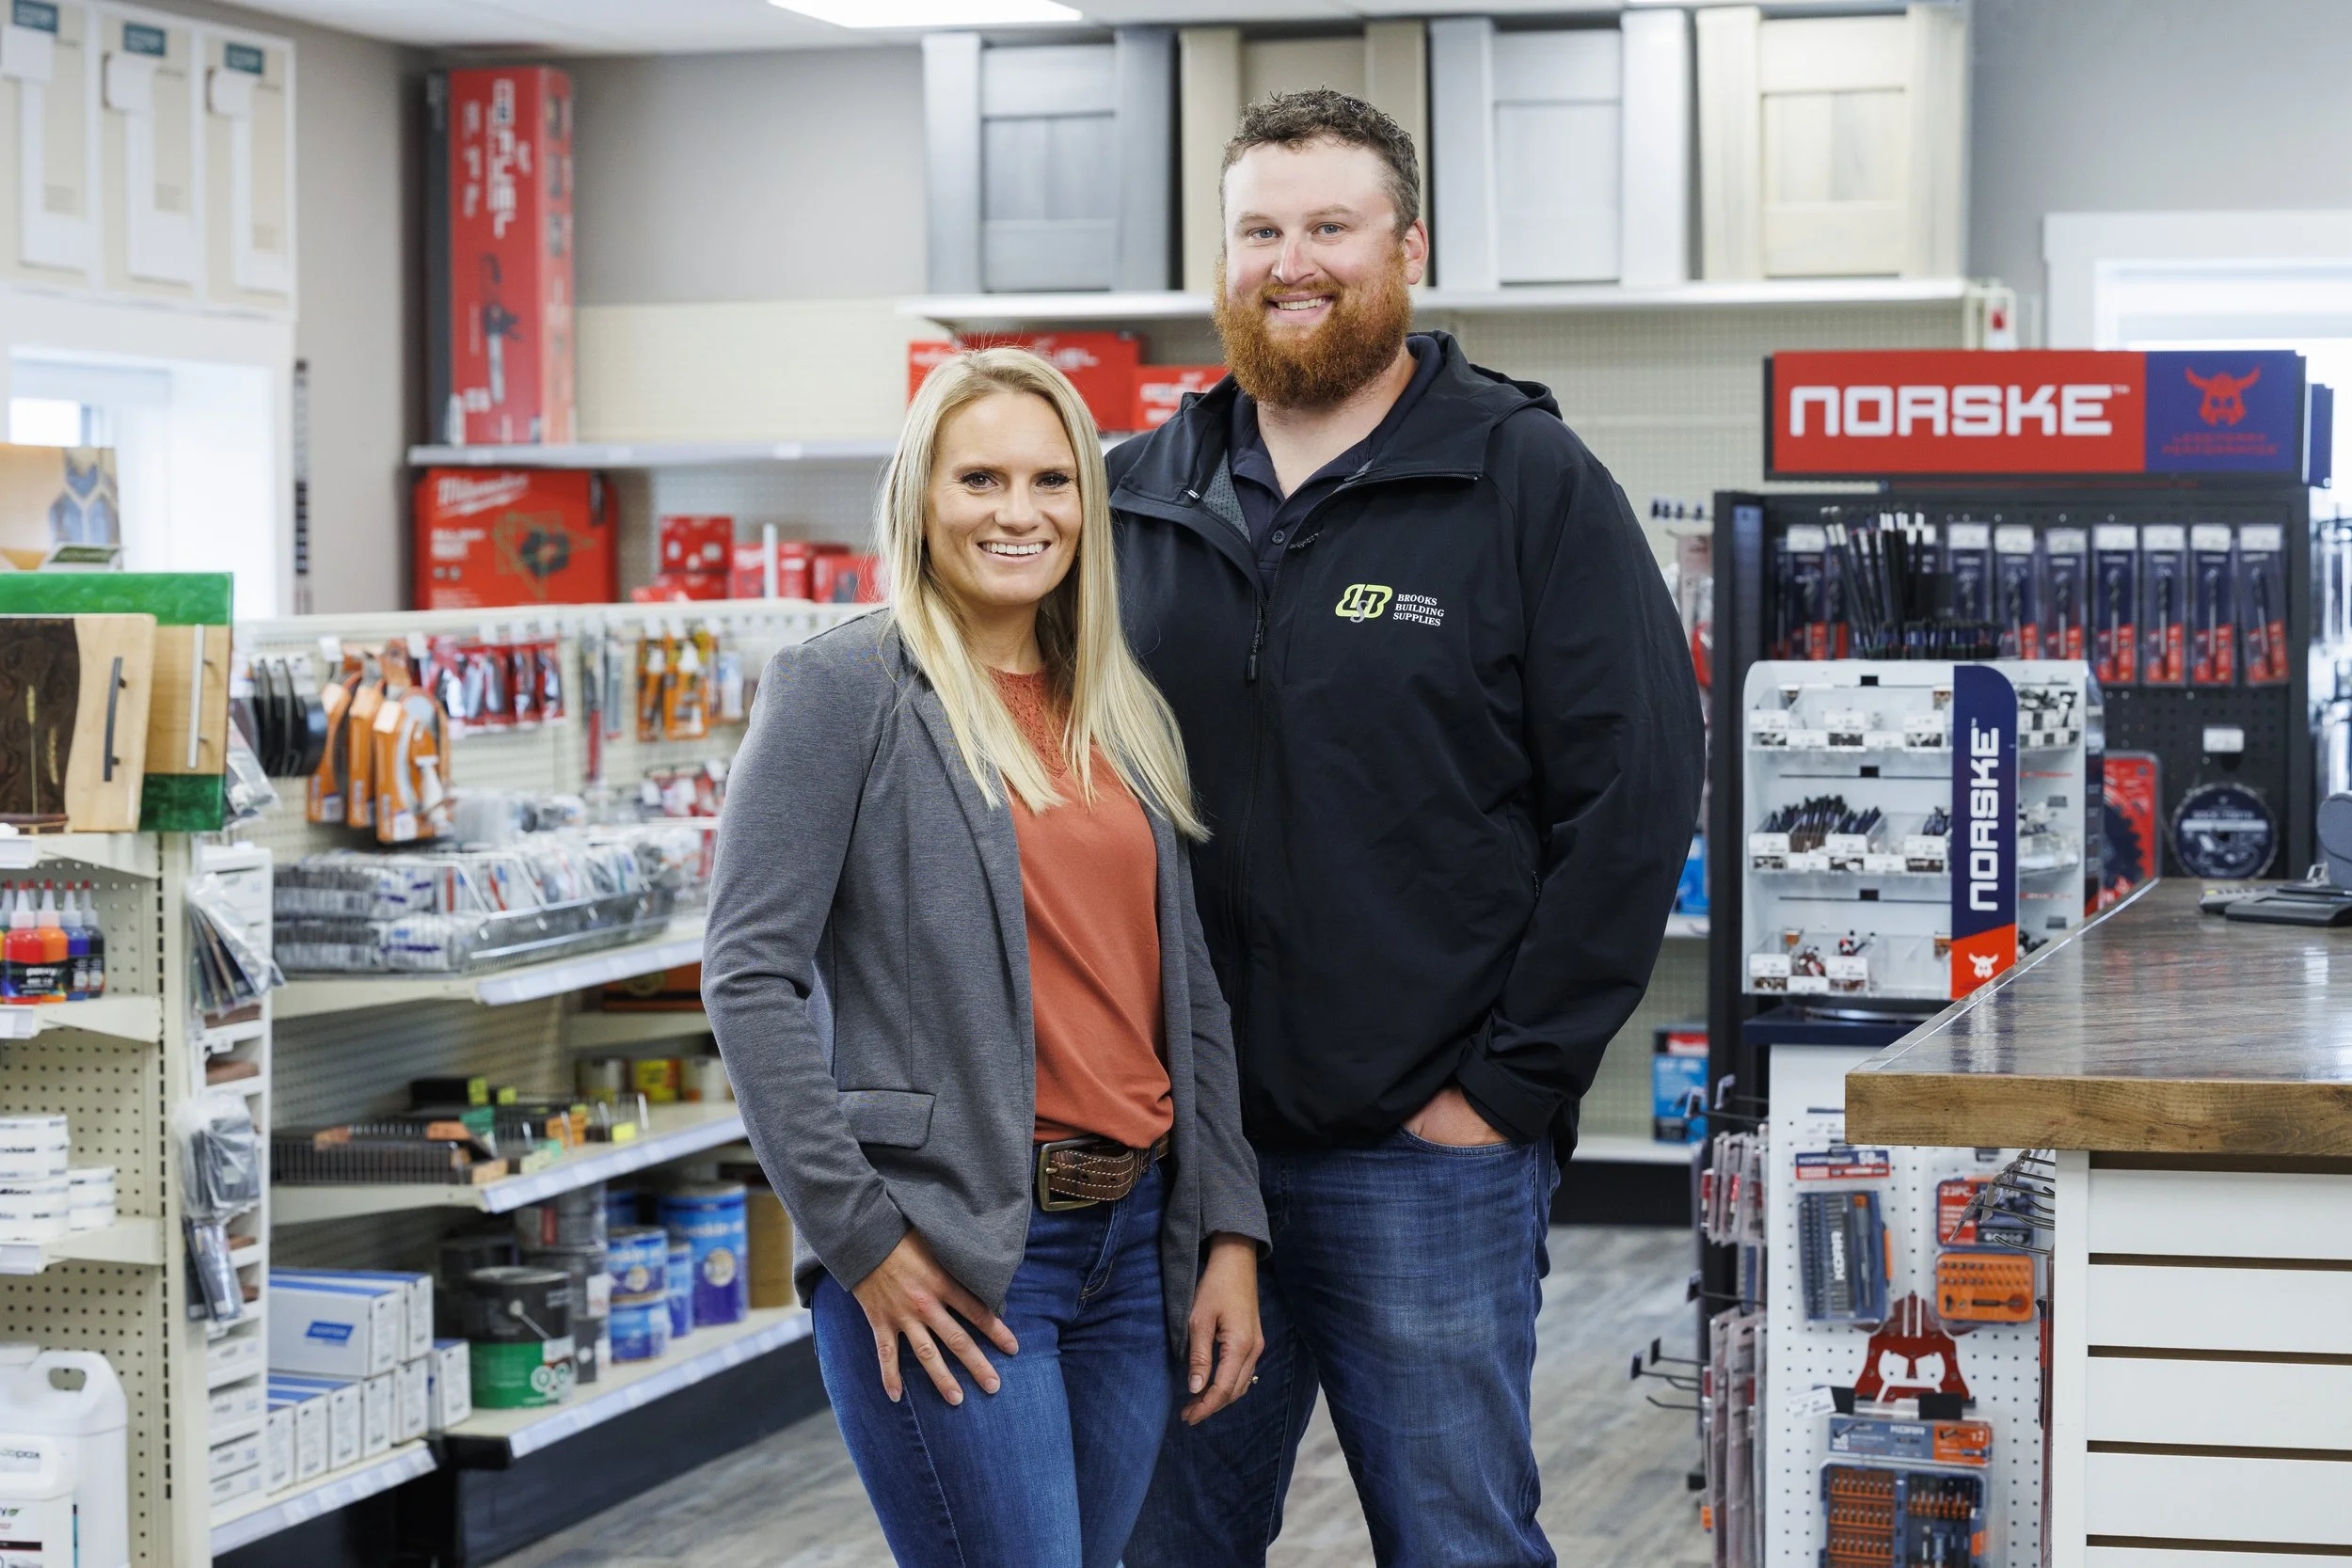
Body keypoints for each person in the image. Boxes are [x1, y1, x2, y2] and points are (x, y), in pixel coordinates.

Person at [1112, 90, 1708, 1566]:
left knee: (1459, 1542)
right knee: (1167, 1543)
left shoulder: (1526, 481)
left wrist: (1505, 1086)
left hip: (1423, 1156)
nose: (1290, 261)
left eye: (1330, 226)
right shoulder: (1132, 497)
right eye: (1260, 229)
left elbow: (1636, 799)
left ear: (1409, 249)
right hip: (1188, 1159)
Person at [704, 348, 1270, 1568]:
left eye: (1053, 480)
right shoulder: (842, 686)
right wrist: (860, 1240)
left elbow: (1188, 993)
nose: (1021, 512)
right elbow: (746, 974)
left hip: (1135, 1246)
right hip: (954, 1250)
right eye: (981, 478)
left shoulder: (1118, 703)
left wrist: (1227, 1224)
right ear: (920, 496)